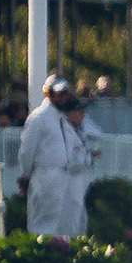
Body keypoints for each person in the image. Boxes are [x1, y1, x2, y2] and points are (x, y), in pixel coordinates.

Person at [13, 74, 100, 239]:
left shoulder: (62, 118)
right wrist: (26, 174)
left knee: (65, 222)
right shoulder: (38, 117)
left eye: (65, 93)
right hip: (45, 175)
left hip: (65, 176)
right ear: (49, 93)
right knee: (44, 222)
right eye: (59, 93)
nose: (63, 97)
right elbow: (27, 150)